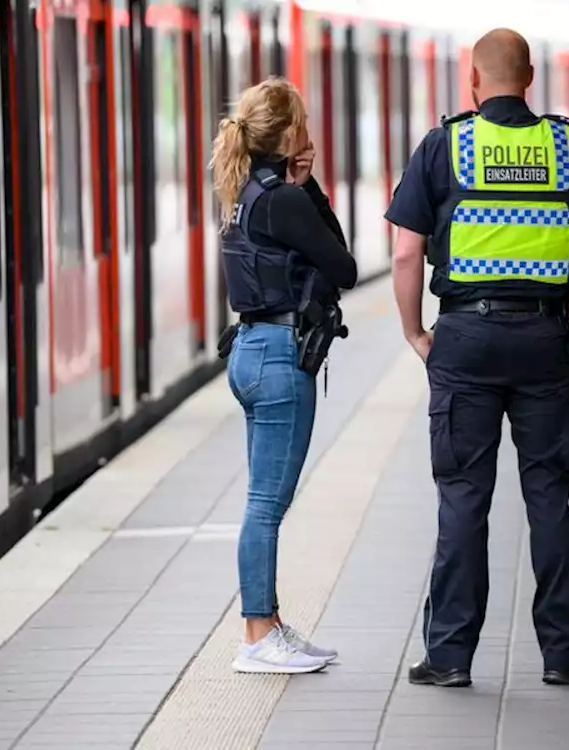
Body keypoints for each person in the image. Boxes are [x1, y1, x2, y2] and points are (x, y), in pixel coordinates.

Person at [386, 27, 569, 688]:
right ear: (528, 79)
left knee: (463, 497)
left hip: (464, 339)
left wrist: (415, 334)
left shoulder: (444, 146)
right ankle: (566, 654)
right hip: (548, 341)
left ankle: (451, 656)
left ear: (473, 79)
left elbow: (405, 252)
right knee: (548, 494)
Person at [210, 77, 358, 675]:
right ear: (290, 133)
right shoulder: (287, 199)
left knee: (262, 499)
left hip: (248, 348)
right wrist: (312, 185)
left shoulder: (245, 190)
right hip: (279, 356)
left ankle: (268, 623)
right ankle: (256, 636)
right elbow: (343, 264)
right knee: (266, 504)